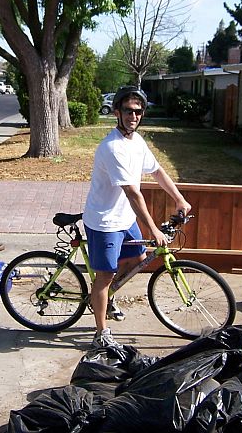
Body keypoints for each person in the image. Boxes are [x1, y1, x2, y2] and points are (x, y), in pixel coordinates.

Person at [82, 86, 191, 348]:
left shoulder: (136, 141)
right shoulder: (112, 147)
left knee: (139, 258)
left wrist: (179, 198)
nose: (134, 116)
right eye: (129, 111)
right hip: (105, 221)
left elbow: (157, 172)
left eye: (139, 112)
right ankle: (101, 332)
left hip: (125, 218)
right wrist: (153, 229)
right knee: (104, 277)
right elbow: (133, 193)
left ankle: (108, 295)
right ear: (117, 113)